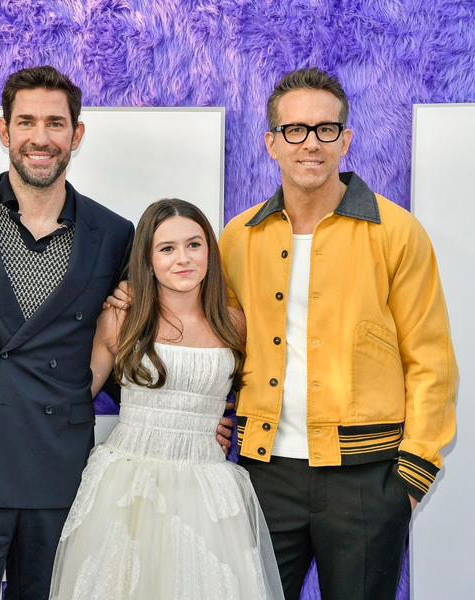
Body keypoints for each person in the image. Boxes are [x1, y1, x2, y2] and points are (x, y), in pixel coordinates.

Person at [0, 66, 234, 599]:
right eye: (27, 122)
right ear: (3, 130)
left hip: (60, 471)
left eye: (56, 123)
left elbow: (125, 341)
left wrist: (185, 414)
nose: (41, 137)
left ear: (76, 135)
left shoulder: (113, 234)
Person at [217, 68, 458, 599]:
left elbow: (431, 361)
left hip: (367, 480)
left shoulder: (396, 233)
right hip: (264, 473)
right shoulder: (237, 237)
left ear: (345, 140)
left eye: (326, 129)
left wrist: (410, 479)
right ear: (271, 143)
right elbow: (219, 344)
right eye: (295, 130)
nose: (311, 143)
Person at [48, 199, 284, 600]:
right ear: (148, 258)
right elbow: (76, 395)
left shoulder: (236, 323)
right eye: (167, 248)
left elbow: (264, 390)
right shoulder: (121, 317)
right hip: (127, 486)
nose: (183, 259)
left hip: (207, 489)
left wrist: (227, 421)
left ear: (210, 248)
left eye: (194, 244)